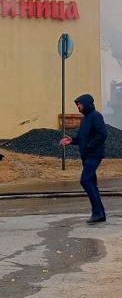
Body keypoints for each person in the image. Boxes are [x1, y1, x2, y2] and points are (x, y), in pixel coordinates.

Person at [60, 93, 109, 224]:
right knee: (91, 183)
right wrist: (72, 140)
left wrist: (88, 146)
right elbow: (82, 137)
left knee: (85, 180)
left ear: (86, 104)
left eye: (80, 104)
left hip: (94, 155)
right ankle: (99, 214)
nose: (78, 106)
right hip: (87, 155)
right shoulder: (85, 119)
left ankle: (98, 213)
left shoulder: (96, 116)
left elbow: (102, 134)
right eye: (77, 104)